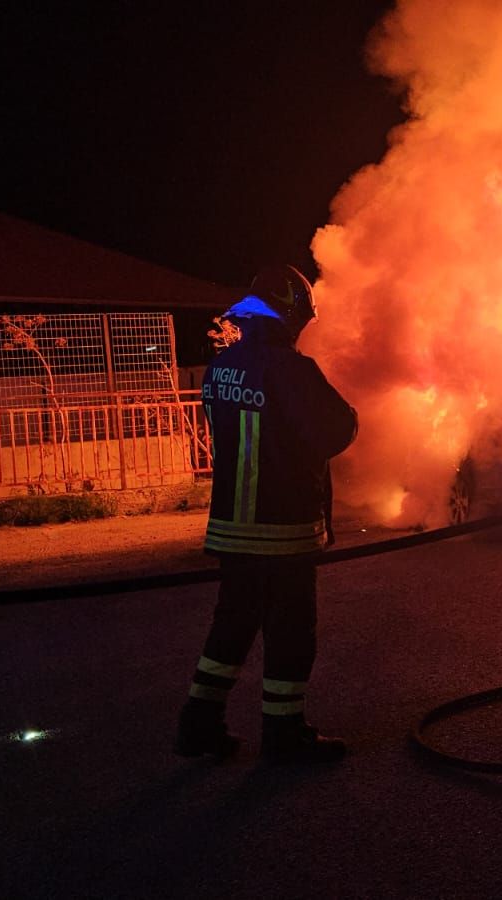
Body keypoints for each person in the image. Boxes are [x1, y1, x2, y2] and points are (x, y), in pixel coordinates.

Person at [175, 265, 359, 764]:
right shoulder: (292, 371)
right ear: (289, 316)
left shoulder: (222, 368)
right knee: (292, 633)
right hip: (282, 531)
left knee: (231, 626)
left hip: (231, 529)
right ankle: (284, 734)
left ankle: (199, 722)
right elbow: (338, 430)